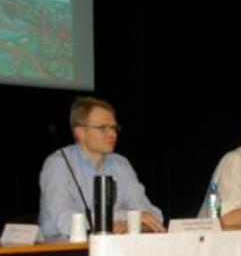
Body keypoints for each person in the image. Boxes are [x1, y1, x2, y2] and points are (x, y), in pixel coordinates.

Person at [39, 97, 165, 236]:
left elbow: (153, 215)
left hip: (112, 248)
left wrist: (130, 225)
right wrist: (125, 218)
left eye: (114, 128)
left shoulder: (120, 164)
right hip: (63, 250)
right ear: (80, 132)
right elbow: (67, 223)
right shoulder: (59, 164)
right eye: (103, 128)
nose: (113, 134)